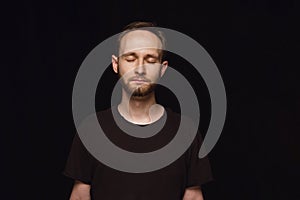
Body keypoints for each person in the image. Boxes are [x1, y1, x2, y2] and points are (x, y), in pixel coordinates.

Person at [63, 21, 213, 200]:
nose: (140, 69)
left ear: (162, 69)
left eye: (150, 60)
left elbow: (194, 197)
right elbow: (80, 196)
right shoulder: (92, 130)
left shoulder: (185, 132)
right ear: (115, 64)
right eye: (130, 58)